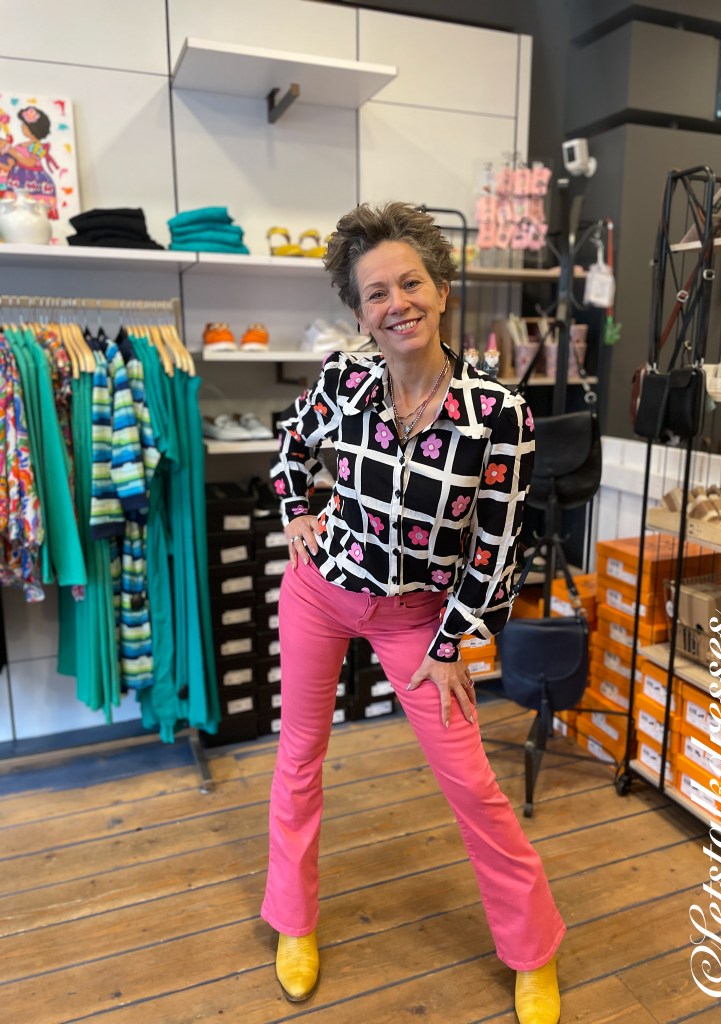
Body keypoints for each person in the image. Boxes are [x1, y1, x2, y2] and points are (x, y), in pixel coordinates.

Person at [261, 202, 564, 1023]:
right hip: (321, 592)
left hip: (420, 619)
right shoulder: (344, 379)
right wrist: (296, 509)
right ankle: (293, 919)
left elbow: (496, 547)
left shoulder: (497, 414)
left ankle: (533, 950)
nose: (396, 304)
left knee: (470, 782)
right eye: (375, 293)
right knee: (299, 756)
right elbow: (290, 447)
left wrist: (455, 640)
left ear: (441, 288)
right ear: (358, 312)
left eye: (410, 283)